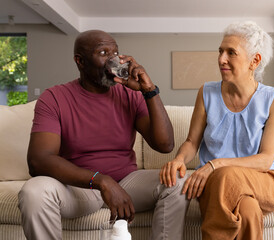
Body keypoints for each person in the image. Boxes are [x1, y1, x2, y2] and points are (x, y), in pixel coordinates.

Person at [18, 30, 189, 240]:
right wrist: (101, 181)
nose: (113, 60)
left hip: (127, 182)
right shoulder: (54, 98)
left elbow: (165, 145)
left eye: (115, 53)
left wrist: (149, 90)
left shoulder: (130, 95)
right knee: (33, 192)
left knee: (178, 181)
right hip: (79, 188)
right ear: (80, 61)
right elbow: (38, 160)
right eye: (103, 53)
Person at [160, 21, 274, 240]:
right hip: (218, 183)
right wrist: (179, 159)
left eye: (231, 53)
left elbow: (265, 160)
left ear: (254, 60)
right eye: (221, 51)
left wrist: (216, 164)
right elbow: (192, 142)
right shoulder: (206, 92)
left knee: (224, 174)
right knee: (248, 210)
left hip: (265, 179)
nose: (221, 59)